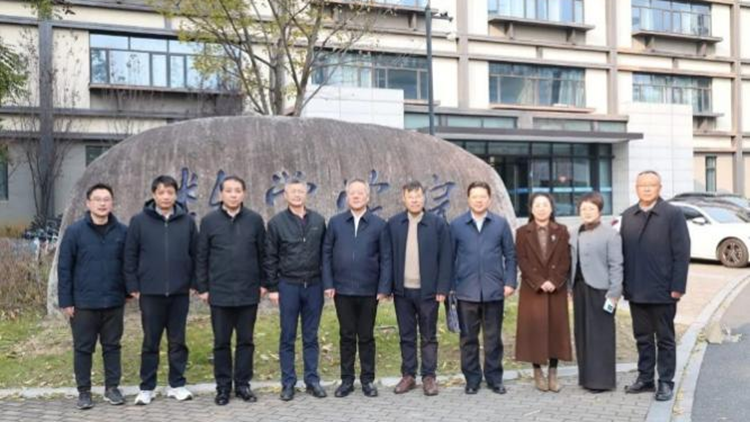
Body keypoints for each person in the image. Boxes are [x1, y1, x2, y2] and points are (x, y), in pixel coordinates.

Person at [124, 175, 198, 405]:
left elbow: (196, 254)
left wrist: (194, 282)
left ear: (176, 195)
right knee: (150, 342)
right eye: (161, 192)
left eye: (170, 192)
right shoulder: (139, 221)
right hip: (150, 292)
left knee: (178, 341)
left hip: (179, 292)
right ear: (153, 194)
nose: (166, 197)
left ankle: (177, 384)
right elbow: (130, 255)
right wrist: (133, 285)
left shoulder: (187, 222)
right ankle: (147, 387)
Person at [195, 176, 267, 406]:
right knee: (221, 342)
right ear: (221, 194)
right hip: (220, 292)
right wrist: (203, 287)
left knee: (246, 341)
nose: (233, 194)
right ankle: (223, 387)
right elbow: (201, 256)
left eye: (237, 190)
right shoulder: (209, 221)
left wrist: (264, 283)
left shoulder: (255, 220)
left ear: (243, 193)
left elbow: (263, 254)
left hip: (248, 291)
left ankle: (243, 385)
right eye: (229, 190)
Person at [57, 183, 129, 409]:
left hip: (113, 301)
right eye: (97, 199)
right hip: (83, 304)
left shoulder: (122, 231)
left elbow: (128, 265)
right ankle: (84, 391)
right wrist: (66, 301)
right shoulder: (75, 232)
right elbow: (64, 268)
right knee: (83, 348)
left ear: (112, 203)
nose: (102, 203)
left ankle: (112, 388)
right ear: (88, 203)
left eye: (106, 199)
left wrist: (128, 291)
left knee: (112, 346)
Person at [620, 170, 690, 402]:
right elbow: (623, 253)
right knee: (642, 337)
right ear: (636, 188)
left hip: (664, 290)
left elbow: (682, 253)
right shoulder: (629, 215)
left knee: (665, 339)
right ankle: (646, 378)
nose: (647, 188)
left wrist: (678, 286)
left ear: (660, 188)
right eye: (643, 185)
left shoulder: (672, 214)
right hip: (636, 289)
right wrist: (624, 285)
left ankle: (666, 382)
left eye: (652, 185)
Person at [322, 179, 392, 398]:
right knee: (346, 335)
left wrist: (384, 287)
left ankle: (367, 380)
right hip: (342, 289)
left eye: (360, 193)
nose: (356, 196)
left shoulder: (379, 224)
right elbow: (326, 253)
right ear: (347, 196)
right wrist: (328, 283)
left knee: (366, 336)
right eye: (352, 193)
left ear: (367, 197)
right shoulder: (335, 223)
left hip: (369, 290)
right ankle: (347, 380)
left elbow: (386, 258)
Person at [384, 181, 452, 396]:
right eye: (410, 196)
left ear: (424, 198)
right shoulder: (394, 224)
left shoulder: (437, 224)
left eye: (418, 196)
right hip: (402, 291)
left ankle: (429, 377)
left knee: (428, 335)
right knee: (406, 335)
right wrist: (387, 287)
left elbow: (446, 258)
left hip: (429, 291)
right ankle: (409, 375)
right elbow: (387, 257)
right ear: (403, 199)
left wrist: (442, 288)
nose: (414, 200)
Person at [450, 181, 517, 395]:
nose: (479, 200)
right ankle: (472, 379)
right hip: (466, 291)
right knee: (468, 339)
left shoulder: (500, 224)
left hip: (493, 291)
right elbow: (449, 258)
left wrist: (510, 282)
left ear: (489, 199)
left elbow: (510, 255)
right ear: (468, 199)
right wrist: (451, 287)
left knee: (493, 339)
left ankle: (494, 379)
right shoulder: (457, 225)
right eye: (475, 196)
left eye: (482, 196)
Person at [264, 179, 328, 401]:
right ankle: (288, 383)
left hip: (314, 286)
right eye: (293, 192)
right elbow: (270, 257)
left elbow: (325, 254)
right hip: (288, 286)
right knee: (288, 336)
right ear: (285, 195)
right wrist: (273, 287)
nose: (297, 195)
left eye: (301, 191)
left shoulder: (318, 220)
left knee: (311, 336)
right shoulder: (276, 223)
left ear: (306, 194)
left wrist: (327, 282)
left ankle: (312, 380)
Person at [515, 192, 572, 393]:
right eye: (537, 205)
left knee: (556, 329)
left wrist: (554, 281)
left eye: (545, 205)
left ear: (551, 208)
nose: (541, 208)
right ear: (531, 209)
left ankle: (553, 372)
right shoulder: (522, 232)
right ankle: (537, 371)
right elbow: (522, 260)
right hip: (533, 289)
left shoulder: (562, 230)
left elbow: (566, 259)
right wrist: (539, 282)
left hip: (556, 288)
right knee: (534, 330)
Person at [569, 192, 623, 392]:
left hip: (602, 290)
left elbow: (616, 265)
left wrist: (614, 293)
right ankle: (586, 378)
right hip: (579, 289)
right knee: (582, 334)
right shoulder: (573, 232)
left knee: (601, 336)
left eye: (591, 208)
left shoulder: (611, 234)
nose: (587, 212)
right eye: (583, 209)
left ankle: (602, 381)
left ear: (600, 210)